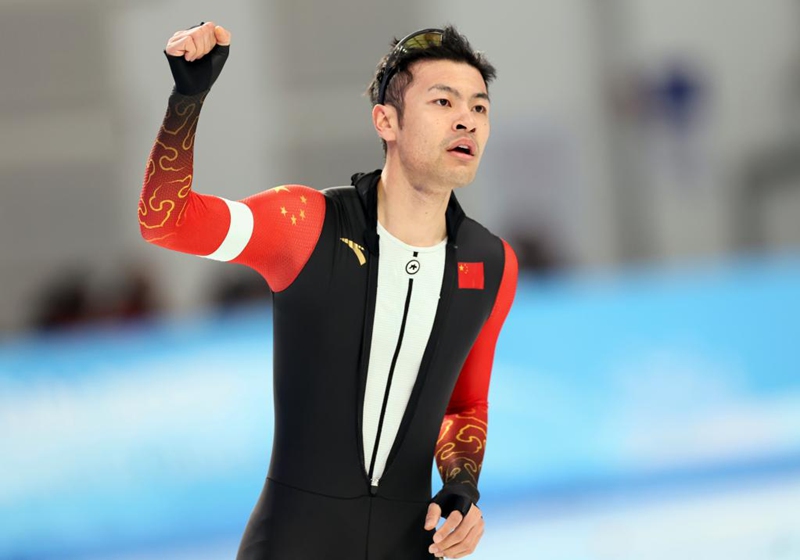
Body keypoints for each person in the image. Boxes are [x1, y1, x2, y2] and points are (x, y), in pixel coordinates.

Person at [139, 21, 517, 559]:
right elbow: (166, 221)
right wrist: (188, 98)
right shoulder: (304, 224)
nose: (467, 120)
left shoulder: (491, 262)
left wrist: (460, 487)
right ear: (386, 121)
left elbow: (465, 402)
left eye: (480, 107)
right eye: (443, 101)